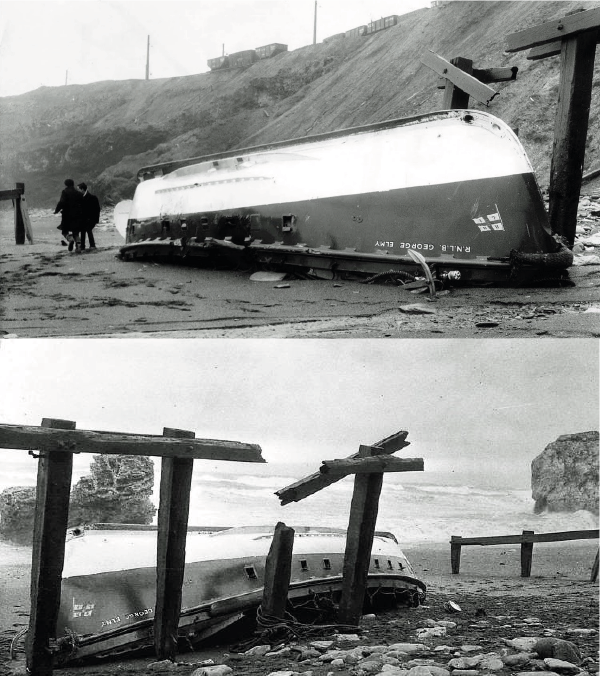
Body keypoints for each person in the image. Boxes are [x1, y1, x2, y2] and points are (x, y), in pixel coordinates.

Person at [54, 178, 84, 252]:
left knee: (64, 230)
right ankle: (78, 246)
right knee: (76, 231)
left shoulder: (65, 192)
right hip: (77, 215)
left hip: (67, 214)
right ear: (73, 184)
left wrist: (56, 210)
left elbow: (61, 202)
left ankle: (70, 239)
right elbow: (83, 204)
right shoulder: (79, 193)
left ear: (66, 184)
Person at [77, 182, 101, 250]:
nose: (77, 191)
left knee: (88, 229)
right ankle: (83, 246)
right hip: (83, 218)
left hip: (91, 218)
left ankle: (92, 245)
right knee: (82, 231)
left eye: (78, 189)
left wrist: (95, 219)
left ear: (82, 189)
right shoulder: (79, 197)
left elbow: (97, 209)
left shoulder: (93, 198)